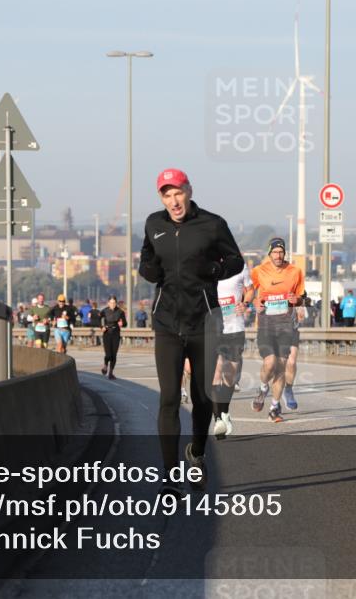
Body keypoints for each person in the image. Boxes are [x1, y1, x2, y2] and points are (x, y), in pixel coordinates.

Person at [138, 168, 244, 494]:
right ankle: (170, 477)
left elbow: (236, 261)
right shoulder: (154, 224)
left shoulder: (212, 224)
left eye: (178, 193)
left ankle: (197, 453)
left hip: (204, 322)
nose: (174, 201)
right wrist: (148, 269)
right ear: (162, 198)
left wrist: (214, 268)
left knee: (201, 398)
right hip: (167, 324)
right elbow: (146, 260)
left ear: (189, 191)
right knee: (169, 398)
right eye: (167, 195)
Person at [251, 237, 306, 422]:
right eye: (275, 252)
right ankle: (263, 387)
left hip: (285, 327)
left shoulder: (295, 271)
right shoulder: (259, 271)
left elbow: (302, 297)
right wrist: (254, 302)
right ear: (269, 253)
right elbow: (248, 292)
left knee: (281, 366)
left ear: (285, 253)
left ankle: (274, 407)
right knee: (270, 363)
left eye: (281, 252)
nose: (278, 255)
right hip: (266, 326)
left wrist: (297, 300)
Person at [212, 264, 254, 439]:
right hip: (213, 329)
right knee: (216, 372)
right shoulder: (207, 264)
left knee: (230, 376)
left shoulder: (240, 266)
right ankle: (218, 421)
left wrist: (245, 303)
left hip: (235, 328)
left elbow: (250, 290)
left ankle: (224, 412)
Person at [98, 296, 126, 379]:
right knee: (108, 354)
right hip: (107, 333)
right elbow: (98, 319)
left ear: (116, 303)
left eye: (114, 303)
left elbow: (125, 323)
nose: (112, 304)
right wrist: (101, 327)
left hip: (116, 333)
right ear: (108, 303)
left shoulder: (120, 312)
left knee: (114, 354)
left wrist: (122, 324)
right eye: (111, 303)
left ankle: (111, 372)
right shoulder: (104, 311)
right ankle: (105, 365)